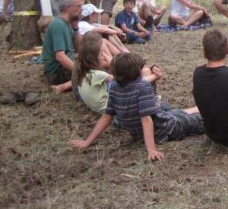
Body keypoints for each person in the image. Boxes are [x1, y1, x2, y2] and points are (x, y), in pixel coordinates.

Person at [70, 51, 205, 161]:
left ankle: (197, 110)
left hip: (144, 131)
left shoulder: (114, 86)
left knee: (179, 113)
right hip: (167, 129)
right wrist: (151, 149)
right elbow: (146, 120)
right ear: (137, 72)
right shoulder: (142, 87)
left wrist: (87, 141)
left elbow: (106, 117)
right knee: (199, 121)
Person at [72, 33, 162, 114]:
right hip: (113, 109)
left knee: (144, 72)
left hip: (101, 99)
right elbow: (128, 82)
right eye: (101, 53)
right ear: (93, 56)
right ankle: (153, 101)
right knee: (142, 76)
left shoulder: (84, 66)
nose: (103, 55)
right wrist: (154, 76)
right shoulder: (97, 74)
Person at [41, 0, 82, 95]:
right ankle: (63, 86)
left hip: (65, 66)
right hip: (57, 72)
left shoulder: (67, 23)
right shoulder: (58, 25)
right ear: (68, 8)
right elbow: (60, 57)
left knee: (95, 67)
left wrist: (76, 28)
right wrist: (80, 71)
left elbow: (78, 48)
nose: (81, 9)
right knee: (93, 74)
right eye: (78, 6)